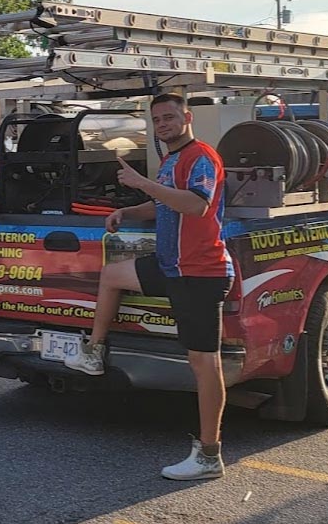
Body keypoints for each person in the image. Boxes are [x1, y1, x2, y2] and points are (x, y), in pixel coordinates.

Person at [65, 93, 234, 481]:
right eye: (157, 119)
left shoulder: (201, 156)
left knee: (203, 364)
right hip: (170, 266)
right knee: (111, 275)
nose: (163, 124)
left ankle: (210, 454)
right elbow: (162, 206)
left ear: (187, 117)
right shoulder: (171, 161)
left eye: (170, 117)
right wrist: (125, 211)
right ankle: (94, 352)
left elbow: (196, 205)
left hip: (200, 273)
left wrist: (141, 182)